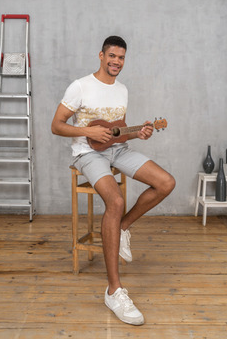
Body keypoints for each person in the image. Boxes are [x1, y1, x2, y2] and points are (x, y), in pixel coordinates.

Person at [51, 36, 175, 325]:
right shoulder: (80, 86)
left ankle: (123, 228)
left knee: (166, 182)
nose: (116, 61)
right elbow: (56, 126)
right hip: (87, 154)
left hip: (118, 150)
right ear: (101, 55)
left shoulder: (122, 90)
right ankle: (114, 290)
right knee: (115, 200)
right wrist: (88, 132)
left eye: (121, 57)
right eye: (112, 56)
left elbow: (118, 132)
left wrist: (139, 132)